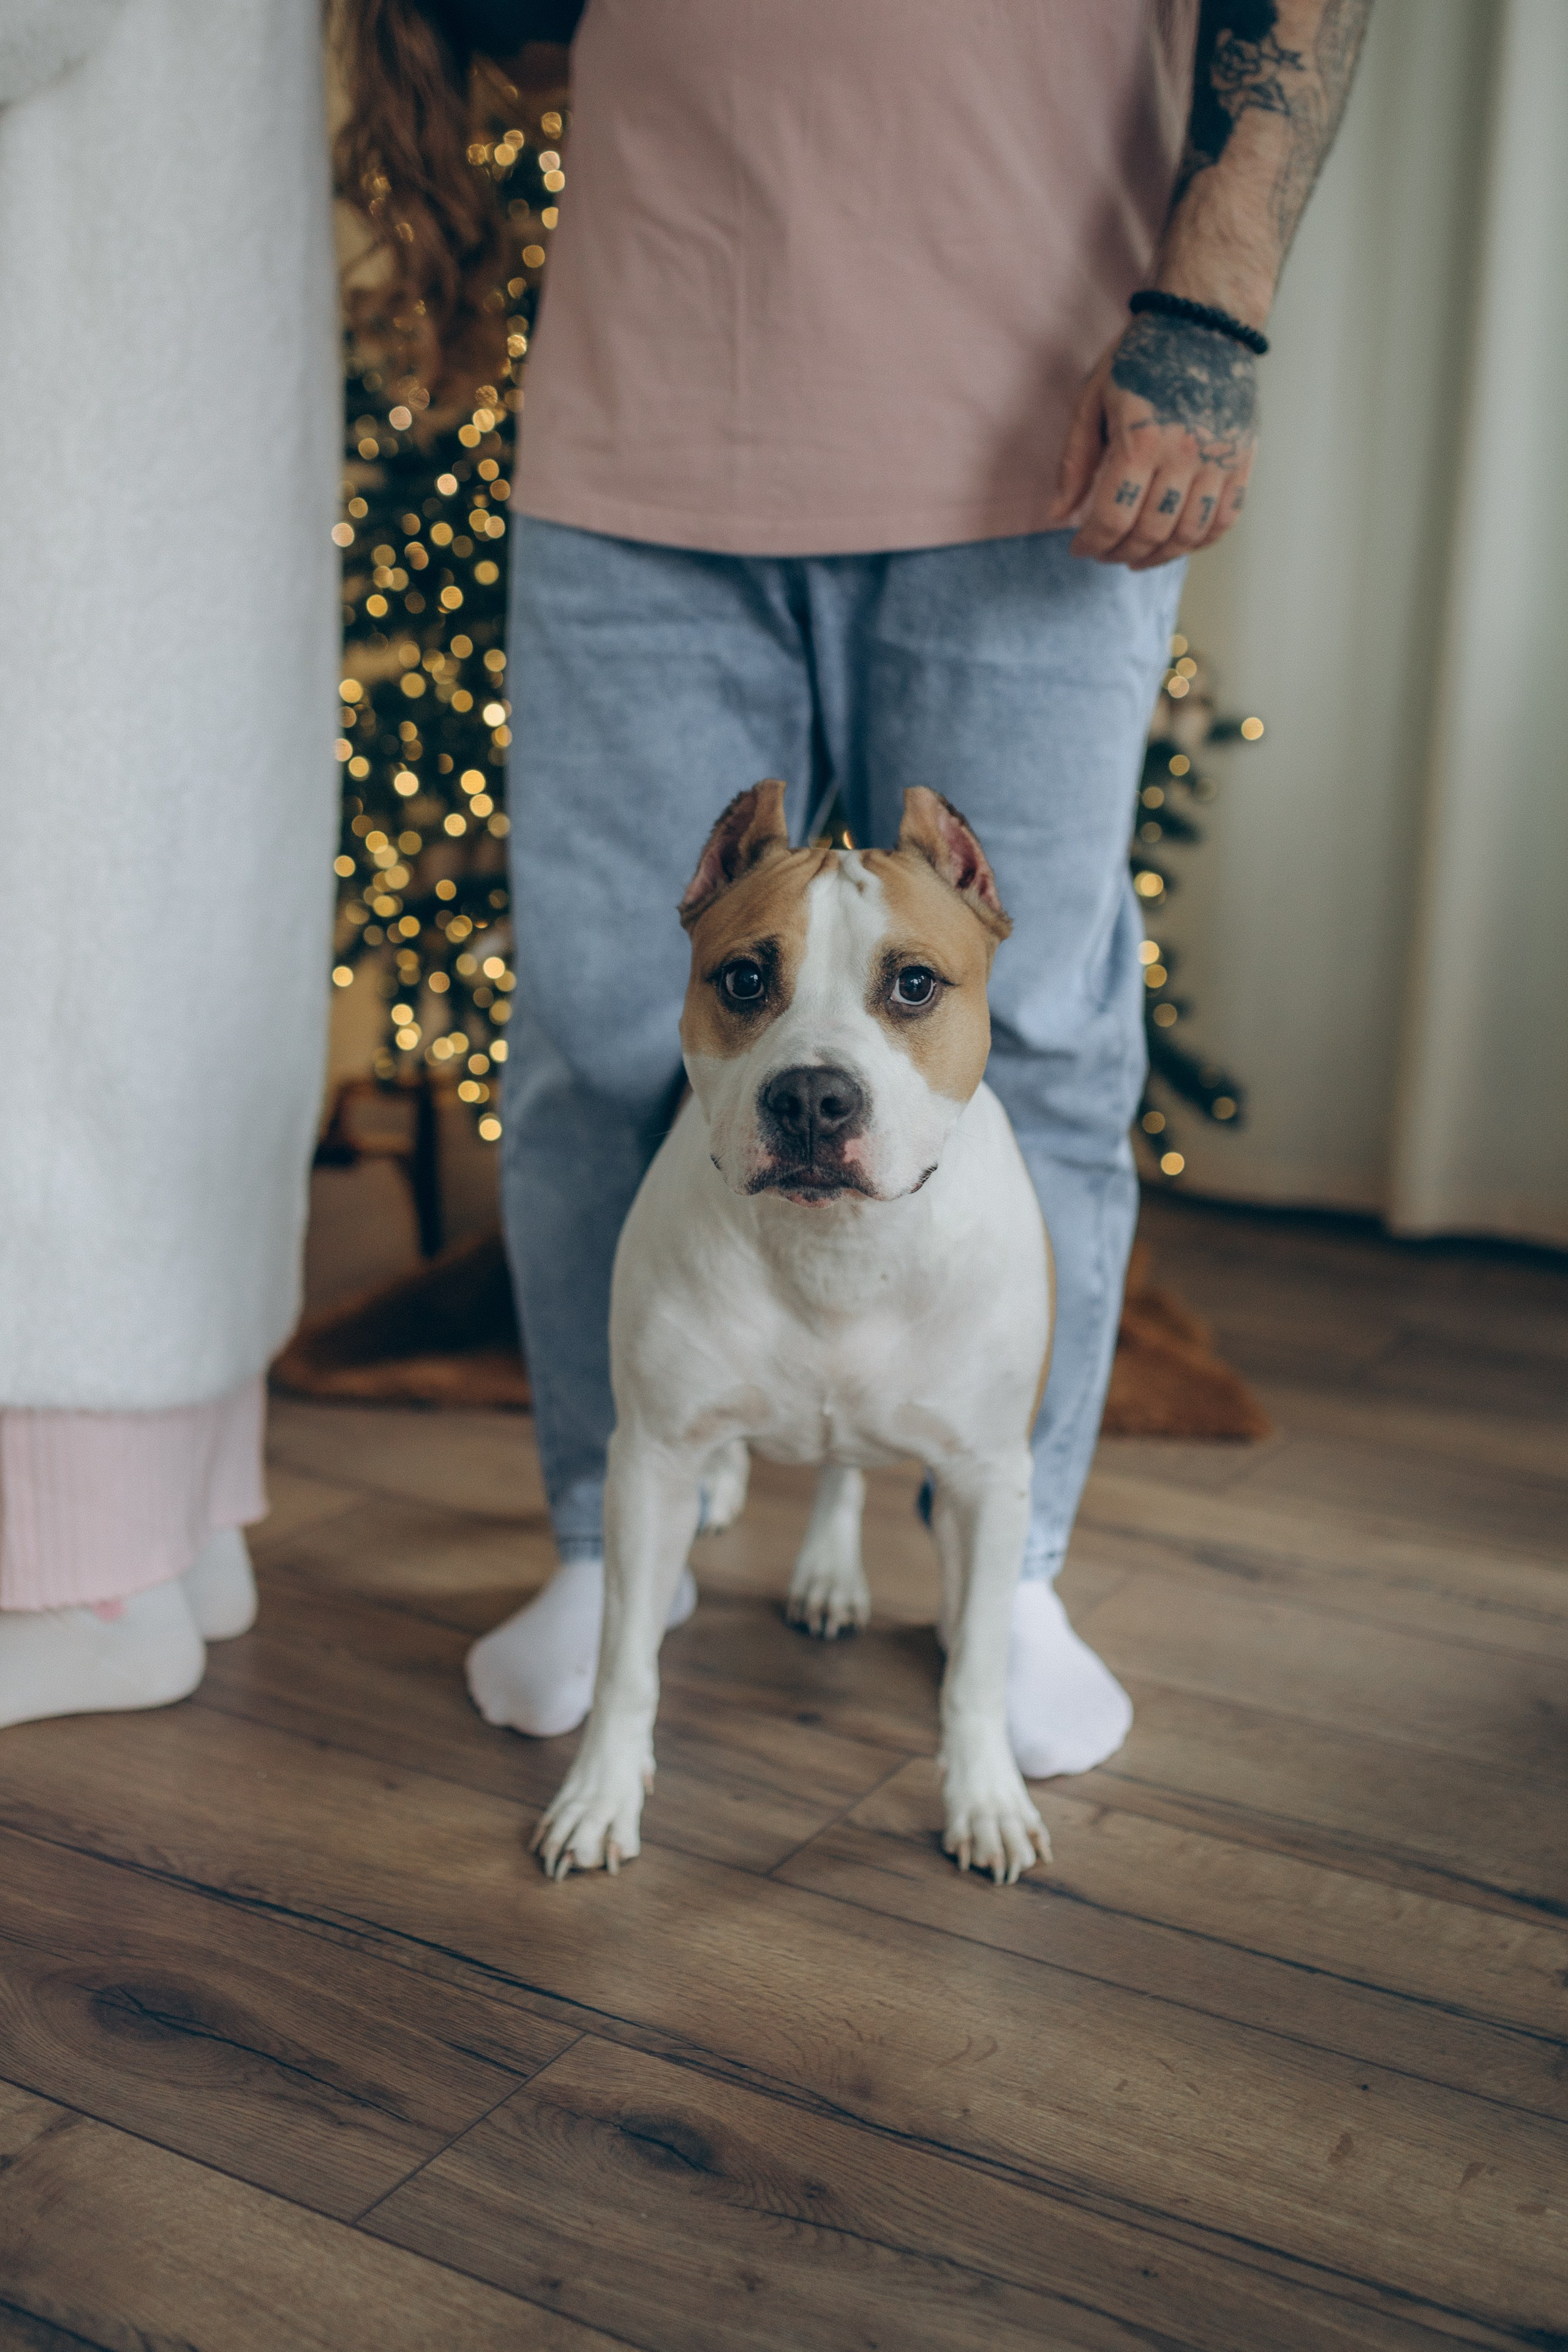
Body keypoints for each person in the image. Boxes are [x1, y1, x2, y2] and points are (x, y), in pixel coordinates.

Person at [346, 0, 1368, 1768]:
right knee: (599, 1030)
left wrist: (1214, 295)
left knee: (1033, 1032)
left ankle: (1013, 1565)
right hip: (650, 396)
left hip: (1050, 389)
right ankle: (614, 1546)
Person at [0, 0, 339, 1725]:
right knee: (144, 923)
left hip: (68, 390)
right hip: (154, 371)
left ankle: (83, 1586)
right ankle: (181, 1517)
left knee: (55, 953)